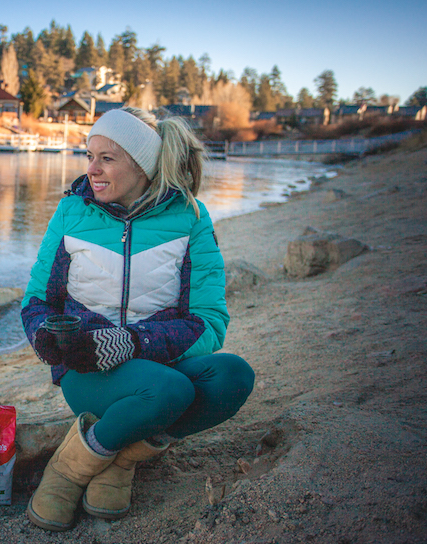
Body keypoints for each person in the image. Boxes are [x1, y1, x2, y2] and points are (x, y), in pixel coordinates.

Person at [20, 107, 255, 532]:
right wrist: (44, 335)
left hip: (159, 362)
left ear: (142, 165)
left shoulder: (191, 218)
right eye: (89, 156)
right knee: (167, 388)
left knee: (233, 375)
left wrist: (133, 342)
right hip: (88, 368)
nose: (92, 169)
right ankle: (67, 472)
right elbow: (38, 299)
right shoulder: (72, 214)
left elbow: (209, 322)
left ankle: (117, 459)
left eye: (107, 158)